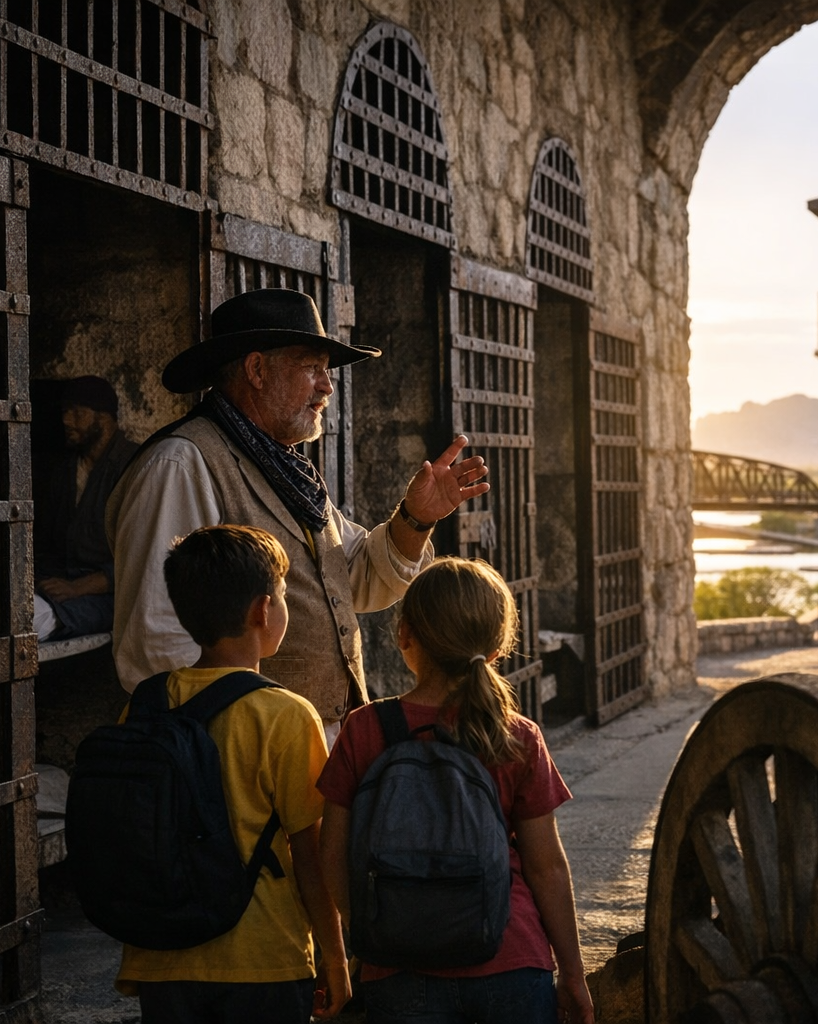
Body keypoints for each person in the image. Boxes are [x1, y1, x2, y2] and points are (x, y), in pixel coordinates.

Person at [107, 288, 489, 738]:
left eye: (325, 372)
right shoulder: (181, 464)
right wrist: (241, 747)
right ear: (256, 370)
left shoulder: (286, 467)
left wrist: (416, 517)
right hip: (241, 760)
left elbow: (352, 582)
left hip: (312, 749)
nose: (327, 386)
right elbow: (157, 643)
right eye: (312, 368)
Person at [317, 558, 594, 1024]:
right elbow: (546, 867)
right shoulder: (515, 735)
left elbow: (332, 854)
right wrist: (573, 973)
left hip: (399, 971)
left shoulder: (365, 729)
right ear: (497, 648)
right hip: (510, 959)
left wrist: (372, 927)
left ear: (405, 636)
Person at [114, 524, 348, 1023]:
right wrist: (335, 955)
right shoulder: (287, 715)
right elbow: (309, 855)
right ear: (262, 611)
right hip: (263, 957)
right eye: (283, 596)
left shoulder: (146, 704)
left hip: (162, 953)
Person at [35, 375, 139, 639]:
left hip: (108, 594)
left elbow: (140, 557)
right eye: (64, 412)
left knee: (41, 617)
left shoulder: (134, 466)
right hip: (59, 582)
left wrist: (76, 588)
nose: (66, 420)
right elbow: (47, 542)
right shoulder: (65, 470)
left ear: (104, 418)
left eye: (77, 412)